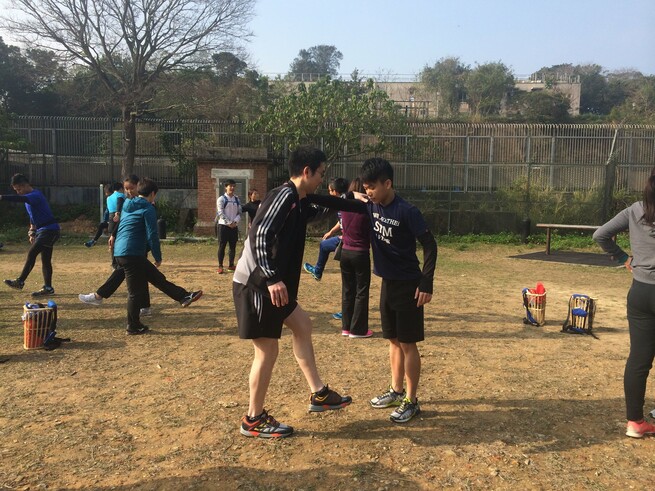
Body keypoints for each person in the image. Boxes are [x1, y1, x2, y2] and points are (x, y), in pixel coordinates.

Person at [233, 145, 352, 439]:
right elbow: (260, 234)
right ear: (306, 171)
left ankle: (319, 394)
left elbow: (319, 208)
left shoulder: (297, 200)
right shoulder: (283, 195)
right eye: (320, 174)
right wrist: (273, 277)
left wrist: (354, 201)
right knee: (267, 350)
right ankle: (253, 419)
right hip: (257, 284)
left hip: (274, 287)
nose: (322, 181)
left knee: (303, 325)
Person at [359, 158, 437, 423]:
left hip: (408, 285)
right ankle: (396, 390)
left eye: (372, 187)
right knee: (392, 340)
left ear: (388, 183)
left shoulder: (407, 211)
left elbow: (430, 244)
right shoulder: (371, 206)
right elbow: (348, 199)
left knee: (407, 343)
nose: (368, 191)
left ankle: (411, 401)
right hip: (387, 283)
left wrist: (426, 282)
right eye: (365, 187)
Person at [593, 167, 655, 438]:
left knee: (639, 359)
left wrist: (622, 258)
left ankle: (635, 423)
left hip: (641, 293)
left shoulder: (635, 210)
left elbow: (600, 235)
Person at [110, 177, 202, 334]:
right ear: (153, 193)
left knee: (156, 278)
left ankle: (184, 296)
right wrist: (157, 256)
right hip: (132, 253)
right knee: (135, 292)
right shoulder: (148, 208)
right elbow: (152, 234)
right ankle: (132, 326)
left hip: (123, 251)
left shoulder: (127, 204)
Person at [78, 175, 152, 317]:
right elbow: (123, 221)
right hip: (131, 244)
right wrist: (113, 235)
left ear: (139, 186)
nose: (128, 191)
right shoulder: (129, 202)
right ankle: (145, 306)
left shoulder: (146, 202)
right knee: (136, 273)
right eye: (126, 189)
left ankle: (99, 296)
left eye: (131, 188)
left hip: (138, 244)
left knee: (128, 272)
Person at [1, 173, 61, 297]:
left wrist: (2, 197)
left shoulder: (35, 195)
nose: (18, 192)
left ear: (24, 185)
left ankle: (20, 281)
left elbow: (21, 199)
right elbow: (32, 216)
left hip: (50, 230)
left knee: (32, 253)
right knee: (45, 259)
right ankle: (48, 288)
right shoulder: (28, 199)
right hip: (43, 231)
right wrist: (32, 231)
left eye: (19, 189)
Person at [339, 177, 372, 338]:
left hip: (345, 251)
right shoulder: (366, 208)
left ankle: (346, 327)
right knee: (361, 291)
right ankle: (358, 329)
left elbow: (340, 199)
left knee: (347, 290)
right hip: (360, 252)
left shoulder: (344, 206)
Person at [303, 177, 349, 281]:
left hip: (347, 239)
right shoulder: (344, 202)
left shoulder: (342, 203)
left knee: (324, 245)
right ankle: (318, 271)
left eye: (330, 191)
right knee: (324, 245)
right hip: (346, 238)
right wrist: (331, 232)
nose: (329, 194)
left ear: (335, 191)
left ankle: (318, 271)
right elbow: (341, 221)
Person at [216, 179, 241, 274]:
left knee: (233, 246)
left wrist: (235, 222)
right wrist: (229, 222)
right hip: (223, 226)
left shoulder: (237, 199)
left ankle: (231, 265)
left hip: (234, 226)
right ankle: (220, 266)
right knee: (222, 246)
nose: (232, 188)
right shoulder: (221, 199)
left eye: (234, 186)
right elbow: (220, 213)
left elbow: (240, 212)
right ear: (226, 187)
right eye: (230, 186)